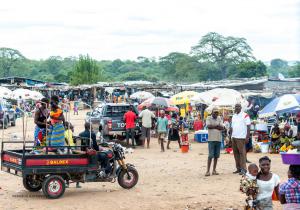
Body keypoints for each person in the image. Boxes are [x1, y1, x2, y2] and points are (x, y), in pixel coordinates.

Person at [230, 103, 251, 175]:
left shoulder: (245, 115)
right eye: (236, 106)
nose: (237, 108)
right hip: (234, 137)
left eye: (238, 106)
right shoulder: (234, 116)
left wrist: (247, 137)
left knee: (242, 154)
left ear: (241, 107)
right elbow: (232, 127)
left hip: (241, 137)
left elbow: (248, 126)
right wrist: (231, 136)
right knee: (235, 154)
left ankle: (244, 169)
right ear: (235, 108)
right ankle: (238, 168)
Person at [205, 108, 224, 176]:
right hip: (211, 139)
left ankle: (214, 170)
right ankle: (207, 171)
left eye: (217, 113)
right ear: (212, 112)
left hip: (218, 139)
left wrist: (214, 126)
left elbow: (222, 127)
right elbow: (208, 126)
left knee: (216, 156)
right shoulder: (208, 118)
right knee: (210, 156)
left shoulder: (219, 118)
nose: (216, 114)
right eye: (214, 112)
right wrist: (217, 126)